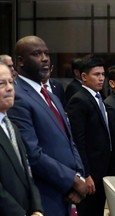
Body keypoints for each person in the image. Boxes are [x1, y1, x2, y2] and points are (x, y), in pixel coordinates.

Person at [8, 35, 87, 216]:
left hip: (67, 194)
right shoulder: (18, 97)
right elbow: (31, 154)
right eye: (37, 54)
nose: (44, 59)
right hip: (45, 194)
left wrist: (79, 175)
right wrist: (71, 181)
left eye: (46, 54)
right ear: (20, 62)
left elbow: (69, 141)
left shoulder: (52, 96)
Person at [65, 55, 112, 216]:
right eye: (96, 74)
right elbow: (78, 140)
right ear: (84, 77)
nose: (101, 78)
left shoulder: (100, 97)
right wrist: (86, 174)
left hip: (103, 168)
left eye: (103, 74)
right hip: (91, 171)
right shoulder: (79, 100)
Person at [0, 63, 43, 216]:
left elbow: (27, 174)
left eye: (11, 82)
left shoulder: (12, 127)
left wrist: (37, 209)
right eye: (1, 84)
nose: (10, 88)